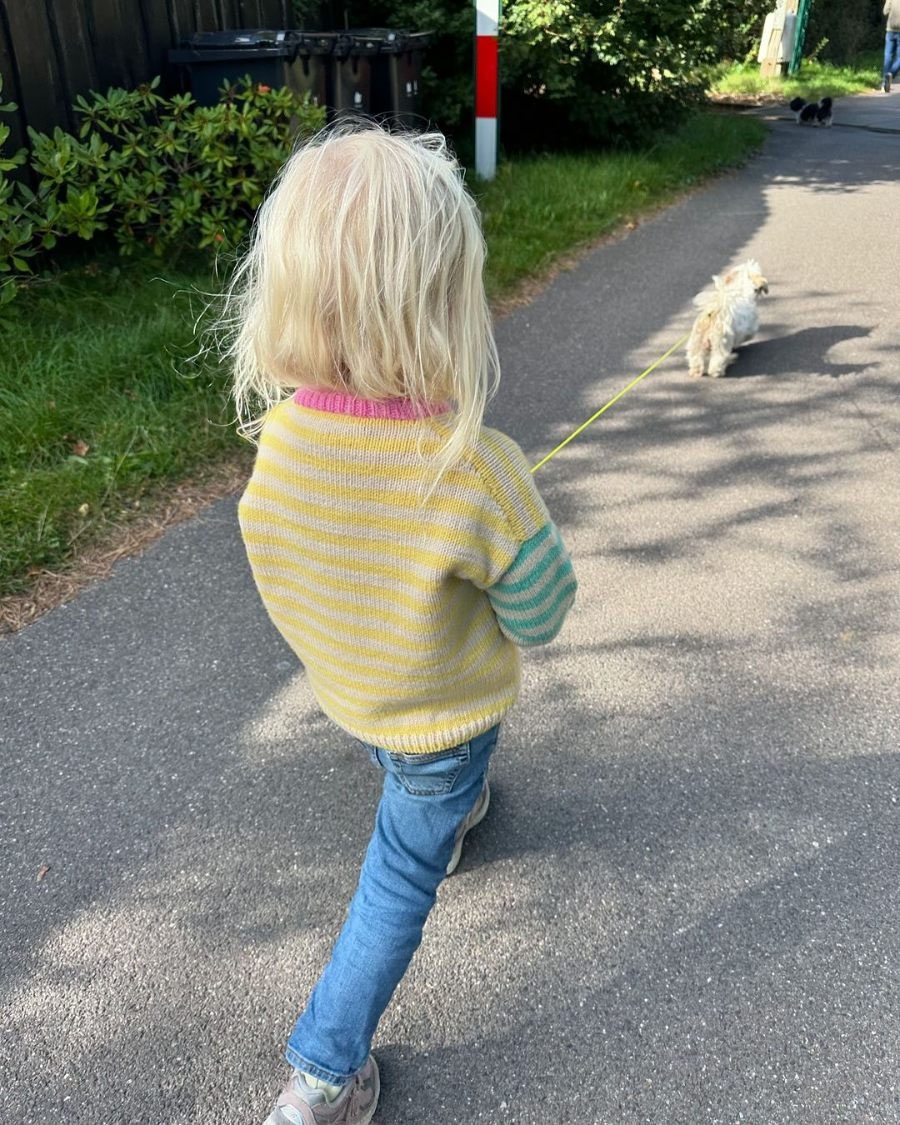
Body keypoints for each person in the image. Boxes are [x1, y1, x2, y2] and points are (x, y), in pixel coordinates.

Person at [224, 122, 577, 1125]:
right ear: (446, 300)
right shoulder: (477, 465)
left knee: (417, 783)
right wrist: (518, 538)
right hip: (441, 722)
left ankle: (450, 812)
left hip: (355, 697)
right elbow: (541, 615)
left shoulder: (283, 437)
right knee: (396, 879)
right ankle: (322, 1075)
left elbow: (276, 558)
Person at [883, 0, 900, 92]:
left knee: (888, 55)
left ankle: (884, 83)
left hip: (890, 30)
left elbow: (885, 11)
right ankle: (891, 73)